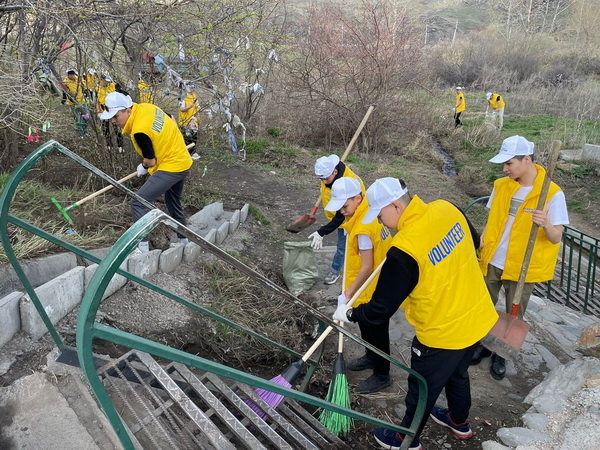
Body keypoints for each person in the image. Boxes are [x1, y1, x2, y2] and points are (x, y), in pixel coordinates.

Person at [332, 177, 498, 450]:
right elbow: (475, 241)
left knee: (422, 387)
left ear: (395, 206)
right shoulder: (447, 208)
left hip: (441, 332)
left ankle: (405, 438)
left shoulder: (404, 250)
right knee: (457, 374)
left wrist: (350, 314)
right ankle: (459, 422)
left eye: (381, 215)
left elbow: (380, 309)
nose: (380, 222)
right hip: (477, 316)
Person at [473, 135, 569, 380]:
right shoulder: (501, 186)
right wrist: (484, 240)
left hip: (522, 266)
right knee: (485, 305)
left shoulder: (552, 193)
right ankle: (481, 345)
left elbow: (556, 237)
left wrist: (546, 223)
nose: (504, 169)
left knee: (514, 312)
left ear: (526, 160)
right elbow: (494, 219)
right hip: (494, 258)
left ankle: (501, 354)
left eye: (509, 164)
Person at [99, 92, 193, 252]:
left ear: (128, 110)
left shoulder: (139, 130)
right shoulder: (147, 108)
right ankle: (186, 242)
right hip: (183, 160)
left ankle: (142, 249)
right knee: (173, 202)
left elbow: (151, 160)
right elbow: (170, 117)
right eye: (111, 118)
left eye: (116, 116)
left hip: (171, 166)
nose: (113, 121)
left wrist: (143, 166)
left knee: (138, 202)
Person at [324, 177, 392, 393]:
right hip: (371, 285)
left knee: (377, 331)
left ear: (358, 198)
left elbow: (366, 267)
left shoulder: (363, 227)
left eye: (345, 206)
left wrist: (347, 294)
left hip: (370, 288)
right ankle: (371, 357)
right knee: (367, 327)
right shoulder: (365, 216)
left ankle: (383, 374)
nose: (342, 211)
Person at [308, 154, 365, 285]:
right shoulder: (328, 173)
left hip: (351, 217)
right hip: (341, 213)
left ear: (335, 171)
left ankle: (336, 271)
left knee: (343, 246)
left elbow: (341, 216)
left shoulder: (347, 185)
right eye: (320, 179)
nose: (323, 182)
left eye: (326, 179)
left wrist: (322, 231)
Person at [96, 73, 123, 152]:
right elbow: (97, 100)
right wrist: (98, 110)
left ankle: (120, 145)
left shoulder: (113, 86)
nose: (107, 83)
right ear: (102, 80)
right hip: (103, 110)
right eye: (106, 81)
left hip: (113, 110)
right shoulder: (98, 88)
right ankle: (109, 144)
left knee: (117, 128)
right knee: (105, 128)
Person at [61, 68, 90, 137]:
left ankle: (86, 131)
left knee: (86, 117)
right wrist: (65, 100)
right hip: (74, 104)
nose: (72, 76)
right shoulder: (64, 82)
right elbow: (65, 93)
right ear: (68, 75)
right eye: (70, 74)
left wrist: (86, 95)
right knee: (78, 119)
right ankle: (81, 134)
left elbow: (83, 88)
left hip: (82, 102)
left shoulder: (78, 79)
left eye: (73, 74)